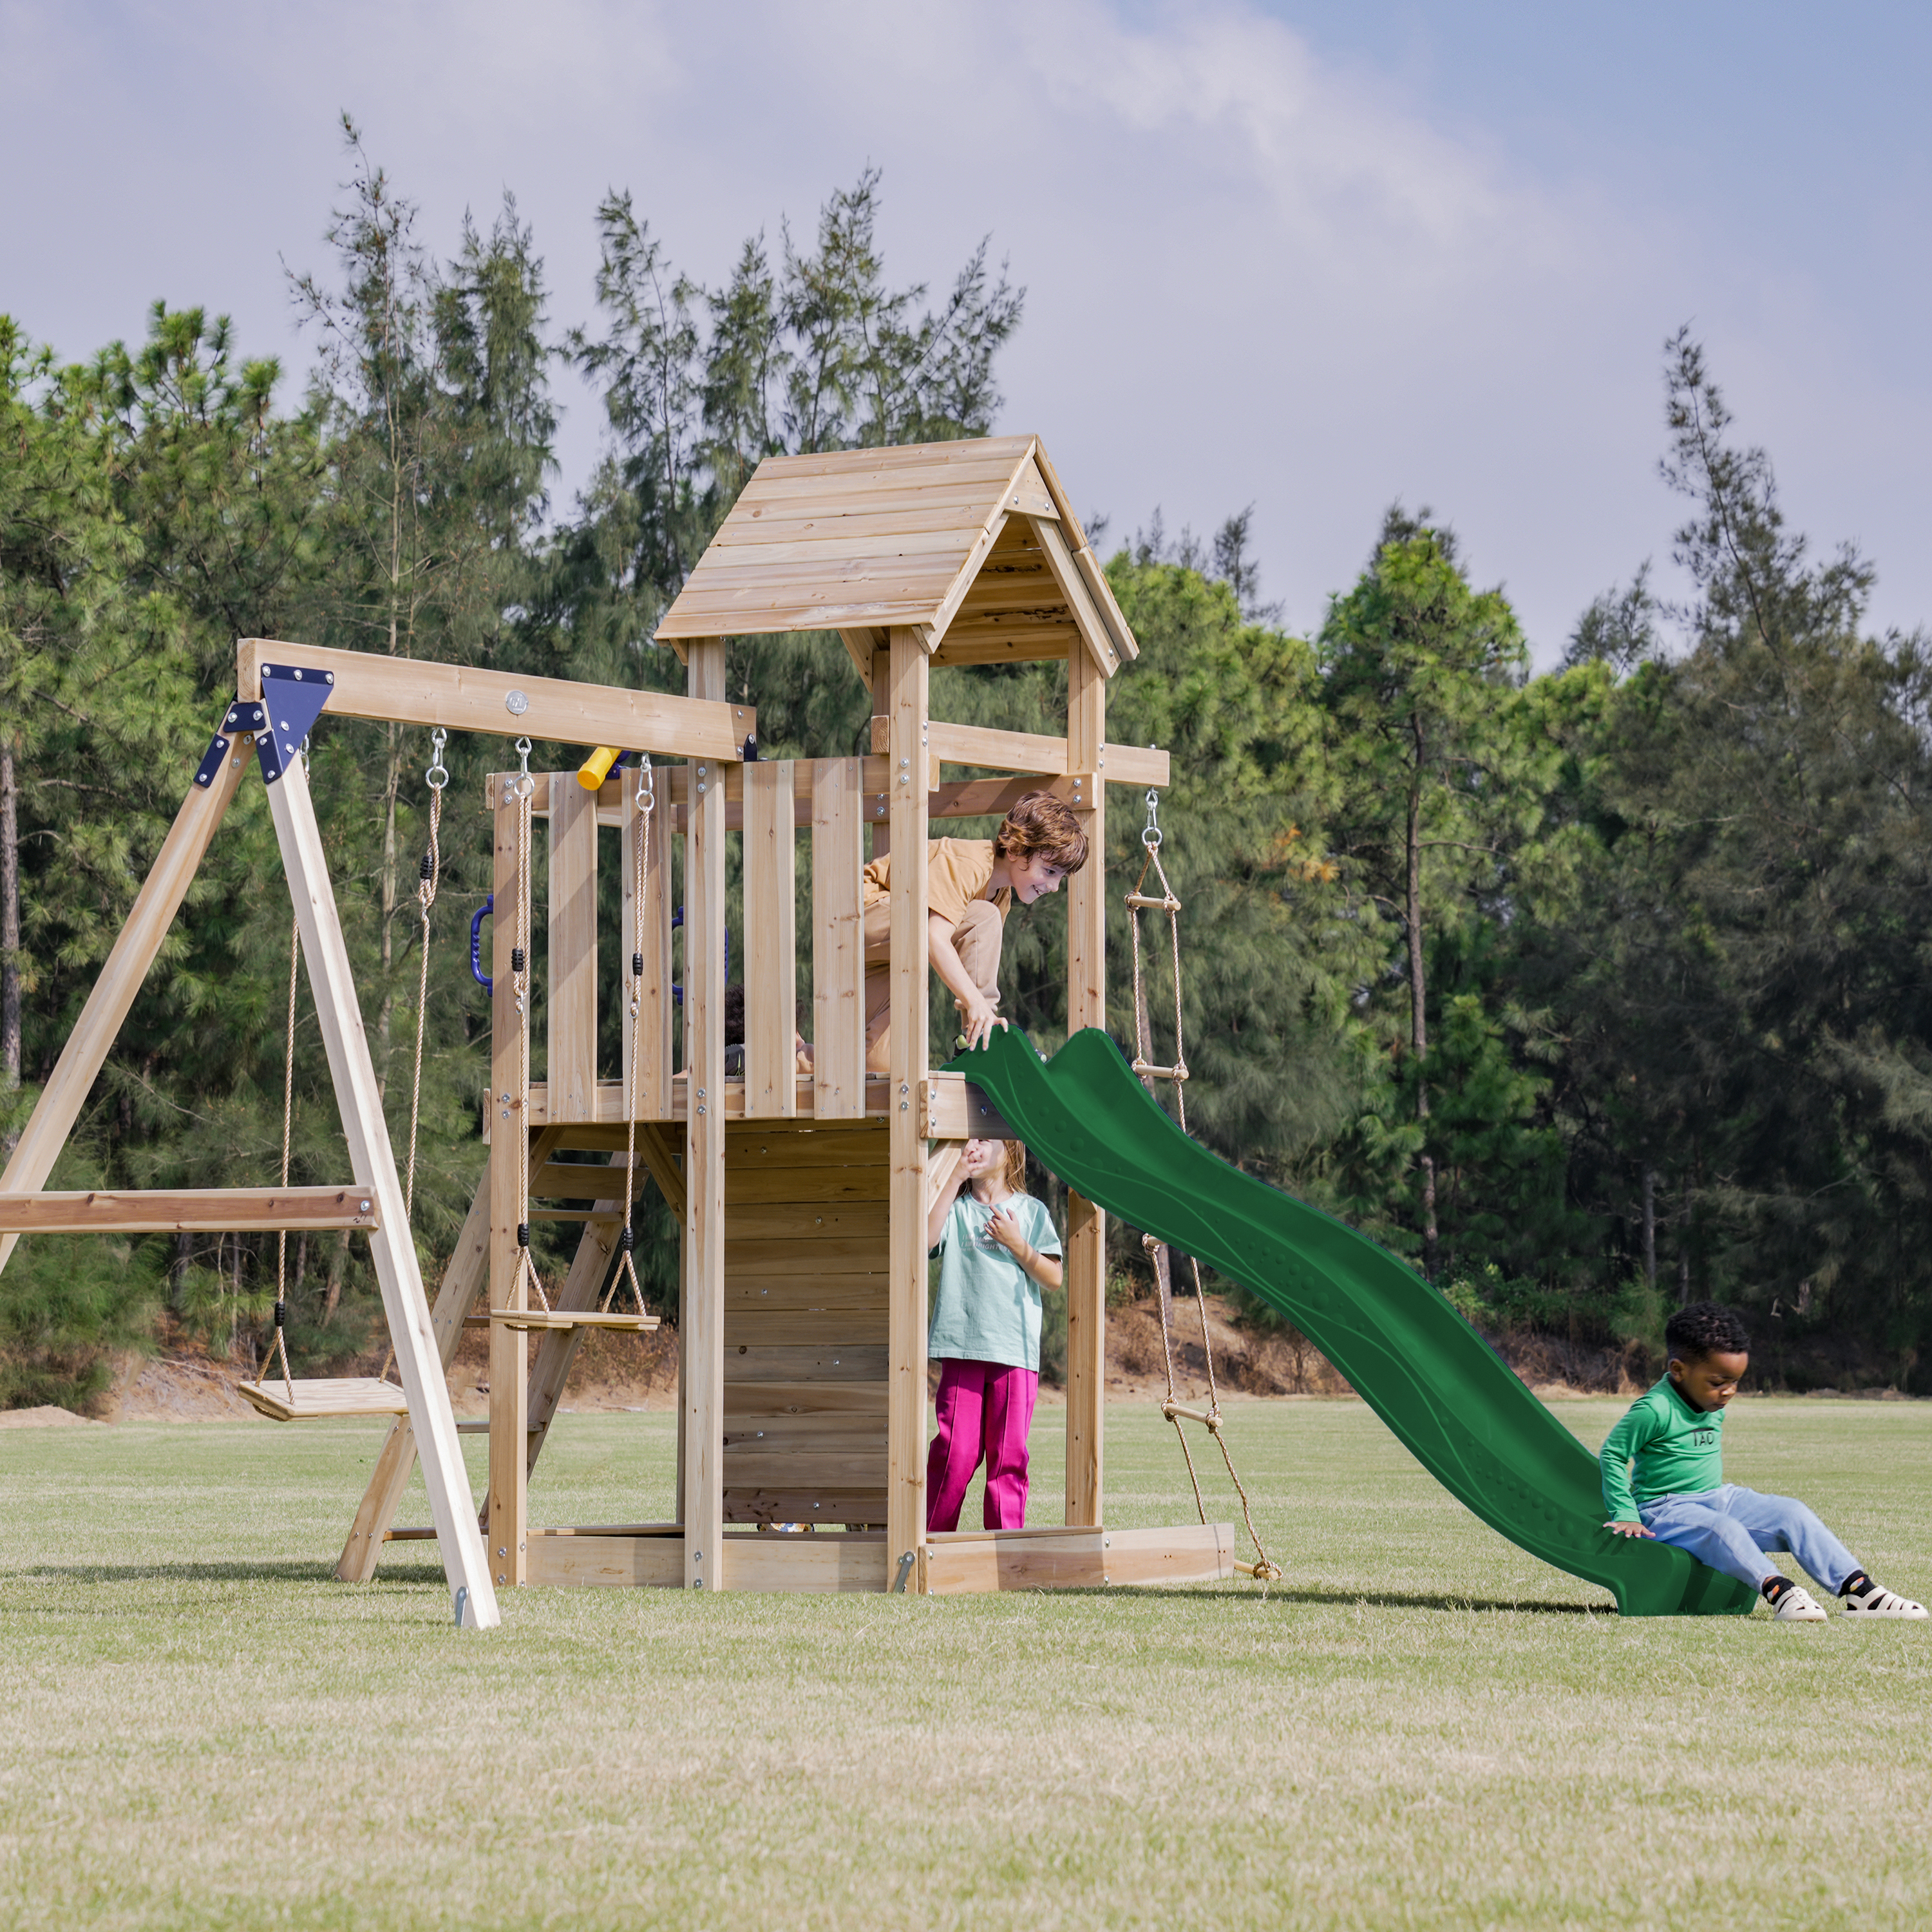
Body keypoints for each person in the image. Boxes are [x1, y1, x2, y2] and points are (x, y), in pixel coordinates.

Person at [1600, 1301, 1926, 1622]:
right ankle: (1780, 1591)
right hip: (1664, 1509)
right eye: (1718, 1383)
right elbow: (1613, 1456)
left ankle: (1861, 1592)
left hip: (1715, 1498)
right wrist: (1627, 1513)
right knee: (1723, 1529)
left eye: (1735, 1382)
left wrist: (1715, 1389)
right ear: (1678, 1370)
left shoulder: (1709, 1399)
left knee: (1792, 1512)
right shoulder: (1654, 1409)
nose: (1728, 1392)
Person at [860, 791, 1088, 1074]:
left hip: (885, 957)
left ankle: (797, 1060)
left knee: (880, 1066)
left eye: (1061, 877)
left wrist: (973, 998)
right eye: (1050, 871)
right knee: (984, 918)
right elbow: (934, 938)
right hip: (861, 918)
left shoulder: (1000, 897)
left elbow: (972, 962)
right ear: (1017, 849)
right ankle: (980, 1038)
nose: (1054, 887)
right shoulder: (970, 865)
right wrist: (976, 1004)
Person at [924, 1137, 1064, 1532]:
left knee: (1008, 1458)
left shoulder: (1031, 1211)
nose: (974, 1145)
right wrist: (953, 1177)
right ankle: (930, 1542)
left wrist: (1019, 1245)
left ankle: (1007, 1550)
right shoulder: (956, 1209)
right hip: (961, 1348)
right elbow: (925, 1240)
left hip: (1013, 1353)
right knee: (955, 1452)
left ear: (1011, 1150)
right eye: (969, 1139)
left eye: (985, 1138)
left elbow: (1053, 1277)